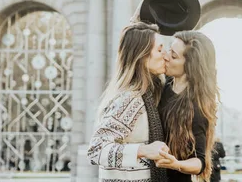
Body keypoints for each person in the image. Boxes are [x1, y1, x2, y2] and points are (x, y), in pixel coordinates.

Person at [87, 22, 169, 182]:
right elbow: (96, 149)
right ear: (142, 56)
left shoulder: (149, 94)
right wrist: (144, 150)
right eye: (160, 50)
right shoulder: (130, 98)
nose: (166, 55)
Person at [155, 30, 220, 182]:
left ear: (190, 66)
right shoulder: (161, 83)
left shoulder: (196, 107)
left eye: (174, 55)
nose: (166, 56)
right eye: (169, 50)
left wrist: (176, 164)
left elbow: (199, 162)